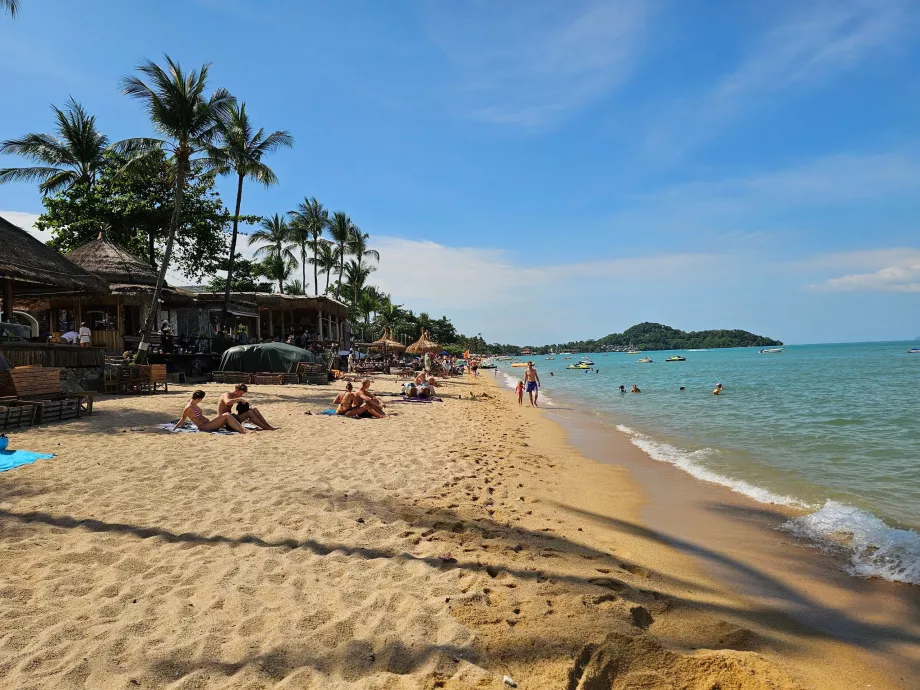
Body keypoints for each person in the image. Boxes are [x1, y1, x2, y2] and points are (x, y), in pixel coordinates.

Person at [176, 390, 249, 433]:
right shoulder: (188, 407)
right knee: (227, 415)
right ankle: (243, 431)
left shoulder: (192, 403)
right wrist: (176, 428)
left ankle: (243, 429)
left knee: (227, 416)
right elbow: (182, 419)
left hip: (208, 424)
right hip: (204, 427)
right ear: (199, 399)